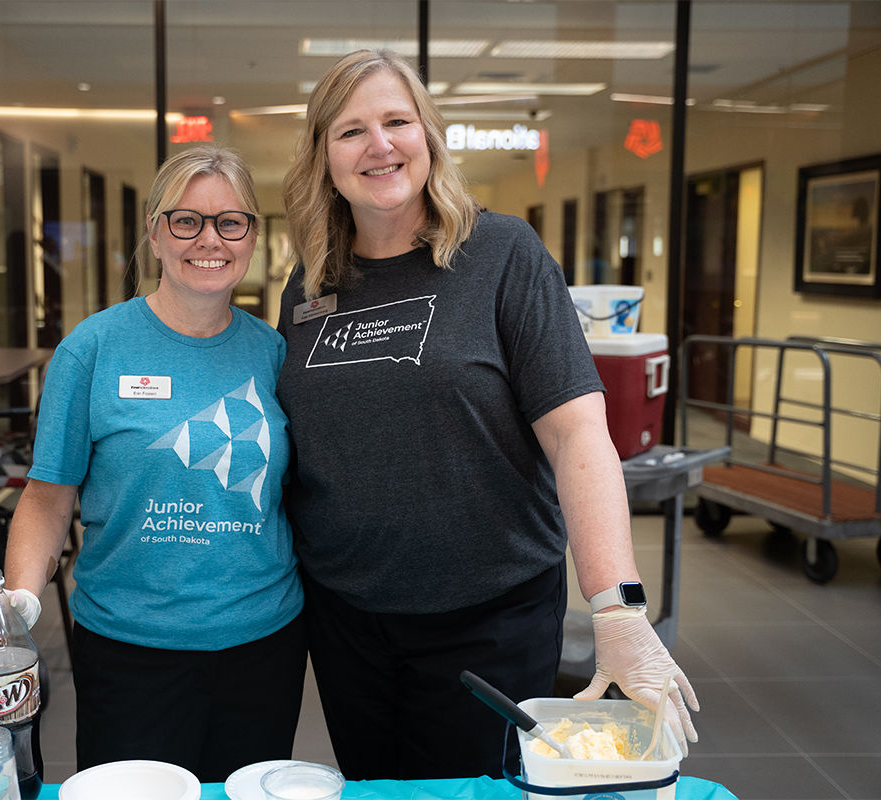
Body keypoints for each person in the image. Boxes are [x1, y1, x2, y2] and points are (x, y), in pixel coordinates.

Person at [276, 49, 699, 781]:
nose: (378, 145)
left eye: (397, 121)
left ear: (429, 137)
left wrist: (619, 606)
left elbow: (577, 436)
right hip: (347, 618)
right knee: (380, 793)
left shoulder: (503, 255)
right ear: (324, 157)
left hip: (487, 618)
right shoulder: (310, 284)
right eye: (350, 131)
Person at [0, 145, 306, 782]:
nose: (209, 240)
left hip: (263, 643)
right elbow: (49, 496)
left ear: (252, 235)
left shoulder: (274, 352)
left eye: (231, 221)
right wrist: (21, 600)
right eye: (186, 220)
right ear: (155, 233)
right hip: (131, 646)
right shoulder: (93, 347)